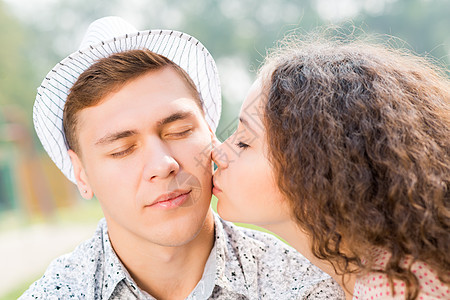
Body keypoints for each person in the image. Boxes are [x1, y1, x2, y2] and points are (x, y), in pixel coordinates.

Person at [20, 17, 343, 299]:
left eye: (179, 132)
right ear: (81, 174)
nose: (163, 165)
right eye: (122, 149)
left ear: (211, 134)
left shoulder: (308, 287)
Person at [212, 33, 450, 300]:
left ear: (310, 167)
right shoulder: (382, 275)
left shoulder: (395, 290)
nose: (217, 152)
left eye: (244, 142)